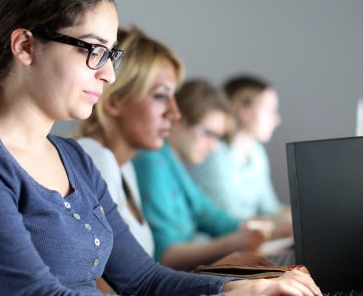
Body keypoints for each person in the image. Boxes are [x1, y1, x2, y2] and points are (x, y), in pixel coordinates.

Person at [0, 0, 322, 296]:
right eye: (92, 50)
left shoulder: (74, 159)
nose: (108, 73)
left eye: (111, 53)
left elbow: (141, 278)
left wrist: (237, 289)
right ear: (25, 46)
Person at [133, 79, 273, 270]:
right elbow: (165, 256)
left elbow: (212, 217)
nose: (213, 146)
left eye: (218, 137)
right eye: (208, 133)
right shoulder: (152, 162)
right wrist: (235, 243)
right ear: (179, 120)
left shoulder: (173, 163)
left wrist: (256, 229)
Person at [71, 25, 182, 258]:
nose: (174, 113)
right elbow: (107, 291)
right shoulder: (96, 160)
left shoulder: (124, 165)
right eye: (161, 96)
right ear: (114, 101)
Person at [186, 74, 290, 223]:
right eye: (270, 110)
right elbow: (229, 219)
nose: (276, 119)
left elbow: (270, 208)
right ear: (242, 110)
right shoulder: (213, 153)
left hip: (249, 238)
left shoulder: (256, 153)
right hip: (221, 242)